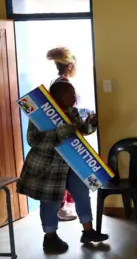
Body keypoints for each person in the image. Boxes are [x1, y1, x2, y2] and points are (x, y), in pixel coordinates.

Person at [17, 81, 107, 254]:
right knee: (50, 201)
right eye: (70, 94)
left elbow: (79, 131)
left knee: (82, 193)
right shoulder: (40, 114)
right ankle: (50, 237)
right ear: (58, 96)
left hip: (71, 163)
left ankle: (88, 231)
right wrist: (61, 132)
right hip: (49, 167)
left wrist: (91, 124)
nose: (74, 97)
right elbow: (33, 140)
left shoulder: (72, 112)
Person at [47, 47, 80, 221]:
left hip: (65, 134)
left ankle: (65, 207)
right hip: (63, 134)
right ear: (69, 66)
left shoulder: (57, 82)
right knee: (63, 174)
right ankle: (61, 209)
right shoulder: (62, 84)